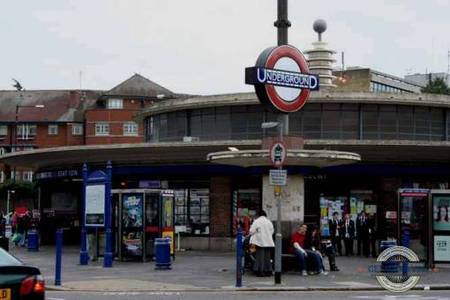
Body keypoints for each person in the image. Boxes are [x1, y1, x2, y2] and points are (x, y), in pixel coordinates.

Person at [248, 210, 274, 277]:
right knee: (267, 257)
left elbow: (251, 231)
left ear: (258, 215)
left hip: (259, 241)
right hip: (268, 242)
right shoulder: (269, 222)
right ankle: (268, 271)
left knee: (260, 256)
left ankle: (260, 271)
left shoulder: (256, 221)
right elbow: (272, 231)